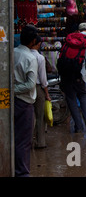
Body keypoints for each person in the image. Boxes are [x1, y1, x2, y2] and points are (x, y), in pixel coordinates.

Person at [61, 23, 86, 133]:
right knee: (82, 95)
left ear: (78, 30)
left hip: (66, 73)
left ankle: (78, 126)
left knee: (71, 99)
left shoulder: (69, 40)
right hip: (80, 74)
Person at [14, 25, 39, 177]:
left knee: (13, 137)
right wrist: (14, 90)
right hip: (24, 102)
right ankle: (22, 173)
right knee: (23, 140)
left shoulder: (12, 52)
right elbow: (30, 85)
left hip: (11, 102)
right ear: (33, 41)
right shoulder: (31, 58)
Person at [30, 36, 51, 149]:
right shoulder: (39, 57)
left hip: (24, 90)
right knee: (40, 116)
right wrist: (47, 94)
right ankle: (40, 142)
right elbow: (43, 79)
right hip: (38, 88)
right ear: (37, 44)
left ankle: (28, 141)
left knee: (28, 116)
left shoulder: (19, 54)